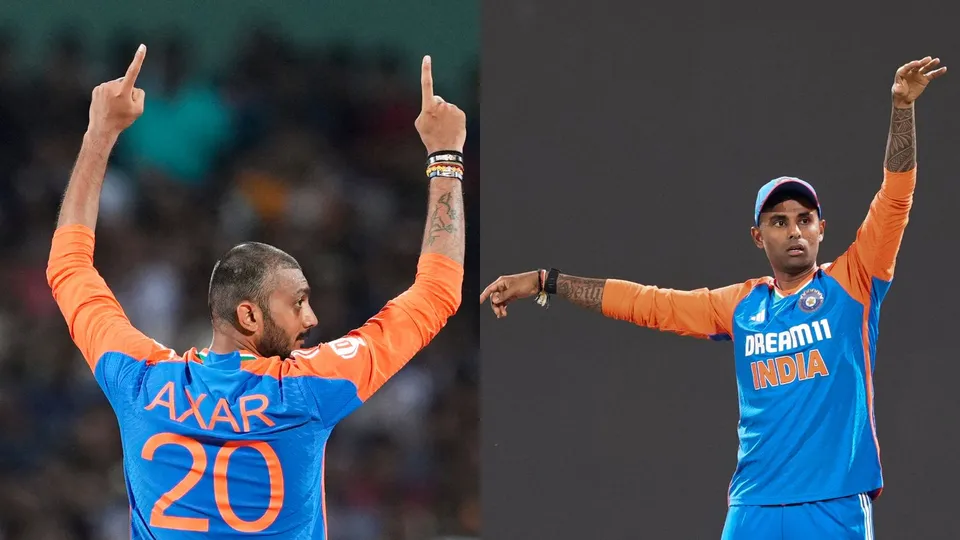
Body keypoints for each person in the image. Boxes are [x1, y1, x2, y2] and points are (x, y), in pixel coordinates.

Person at [481, 56, 945, 539]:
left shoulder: (854, 282)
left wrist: (901, 108)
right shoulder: (742, 306)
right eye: (779, 221)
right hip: (754, 506)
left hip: (833, 505)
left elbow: (895, 198)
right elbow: (649, 304)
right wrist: (545, 281)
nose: (794, 231)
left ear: (822, 230)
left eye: (805, 218)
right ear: (756, 236)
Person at [47, 45, 467, 539]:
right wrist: (445, 157)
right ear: (249, 316)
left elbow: (68, 266)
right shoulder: (305, 389)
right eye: (297, 303)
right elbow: (439, 290)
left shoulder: (141, 382)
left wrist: (101, 132)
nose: (311, 319)